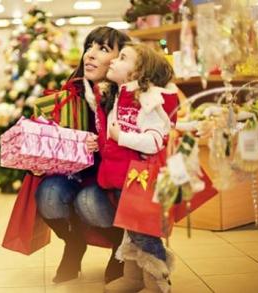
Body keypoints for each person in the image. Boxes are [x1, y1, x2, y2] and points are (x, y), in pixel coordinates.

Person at [34, 26, 131, 284]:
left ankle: (121, 248)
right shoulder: (71, 93)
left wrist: (103, 142)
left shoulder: (128, 97)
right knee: (48, 195)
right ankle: (74, 244)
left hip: (111, 177)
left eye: (103, 49)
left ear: (122, 59)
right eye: (89, 47)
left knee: (89, 202)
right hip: (73, 171)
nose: (90, 54)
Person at [84, 43, 179, 293]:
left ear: (138, 72)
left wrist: (120, 137)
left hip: (140, 180)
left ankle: (157, 282)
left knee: (144, 234)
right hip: (120, 179)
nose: (114, 60)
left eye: (122, 57)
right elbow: (113, 129)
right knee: (131, 231)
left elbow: (155, 139)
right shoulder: (118, 95)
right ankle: (134, 278)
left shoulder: (147, 100)